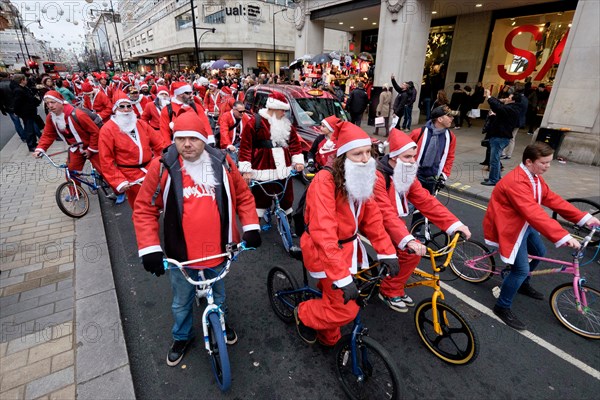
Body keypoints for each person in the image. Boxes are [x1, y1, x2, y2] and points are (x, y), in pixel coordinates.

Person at [132, 110, 262, 366]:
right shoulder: (162, 167)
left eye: (193, 138)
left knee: (219, 294)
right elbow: (145, 208)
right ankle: (182, 336)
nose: (187, 144)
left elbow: (244, 196)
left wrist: (251, 227)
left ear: (204, 139)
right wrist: (150, 249)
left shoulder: (223, 162)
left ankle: (220, 322)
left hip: (218, 252)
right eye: (181, 138)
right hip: (182, 257)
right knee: (182, 302)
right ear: (174, 140)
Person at [294, 121, 400, 346]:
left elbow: (372, 220)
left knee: (333, 311)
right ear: (342, 156)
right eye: (357, 154)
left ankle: (326, 334)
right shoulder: (324, 181)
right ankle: (303, 312)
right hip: (324, 251)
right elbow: (323, 233)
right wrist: (341, 277)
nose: (365, 159)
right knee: (345, 311)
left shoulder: (362, 177)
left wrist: (387, 252)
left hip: (347, 250)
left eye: (368, 153)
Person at [483, 142, 600, 331]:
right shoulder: (516, 181)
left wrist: (584, 219)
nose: (548, 166)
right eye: (544, 162)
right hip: (511, 226)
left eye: (549, 162)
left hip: (523, 223)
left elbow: (552, 199)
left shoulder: (534, 177)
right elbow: (533, 212)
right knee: (520, 270)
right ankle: (502, 306)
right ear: (529, 162)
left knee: (539, 251)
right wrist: (563, 235)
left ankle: (522, 284)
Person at [374, 129, 471, 312]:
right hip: (373, 222)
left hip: (393, 221)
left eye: (414, 156)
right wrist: (408, 240)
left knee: (409, 251)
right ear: (394, 157)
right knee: (408, 253)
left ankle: (394, 285)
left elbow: (426, 201)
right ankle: (388, 290)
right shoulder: (378, 176)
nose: (413, 161)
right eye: (408, 157)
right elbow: (385, 213)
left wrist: (454, 225)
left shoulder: (405, 172)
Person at [238, 92, 304, 218]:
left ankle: (287, 223)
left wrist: (298, 161)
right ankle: (254, 228)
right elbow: (245, 147)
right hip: (263, 168)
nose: (284, 114)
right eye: (281, 110)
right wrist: (246, 170)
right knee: (261, 201)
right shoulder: (254, 122)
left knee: (287, 199)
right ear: (272, 109)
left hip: (284, 168)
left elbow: (295, 144)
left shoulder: (286, 124)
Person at [98, 92, 167, 208]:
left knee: (161, 200)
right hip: (130, 176)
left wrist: (169, 157)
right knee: (140, 207)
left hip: (150, 170)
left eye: (128, 106)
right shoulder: (107, 130)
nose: (126, 110)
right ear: (115, 109)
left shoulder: (140, 124)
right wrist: (119, 181)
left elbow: (159, 143)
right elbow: (106, 160)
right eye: (122, 106)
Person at [32, 90, 101, 173]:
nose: (50, 106)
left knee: (105, 172)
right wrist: (40, 149)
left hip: (91, 145)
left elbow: (95, 132)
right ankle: (75, 186)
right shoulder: (51, 117)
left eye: (53, 102)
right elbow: (48, 134)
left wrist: (91, 149)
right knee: (71, 174)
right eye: (47, 103)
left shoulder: (78, 114)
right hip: (76, 148)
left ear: (60, 102)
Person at [409, 105, 456, 197]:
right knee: (409, 206)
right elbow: (404, 153)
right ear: (440, 119)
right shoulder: (418, 133)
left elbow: (450, 157)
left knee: (426, 208)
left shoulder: (451, 137)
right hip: (415, 176)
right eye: (449, 116)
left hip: (433, 179)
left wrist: (444, 175)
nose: (452, 118)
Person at [481, 88, 521, 186]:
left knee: (494, 160)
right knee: (496, 159)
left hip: (500, 137)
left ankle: (493, 180)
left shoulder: (511, 109)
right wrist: (493, 116)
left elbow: (498, 107)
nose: (507, 99)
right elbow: (502, 117)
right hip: (500, 136)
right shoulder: (511, 109)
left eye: (509, 97)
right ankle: (496, 178)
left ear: (513, 100)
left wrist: (489, 96)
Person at [12, 74, 41, 152]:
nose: (26, 80)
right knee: (29, 129)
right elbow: (17, 103)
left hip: (30, 111)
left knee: (31, 128)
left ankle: (34, 143)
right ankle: (31, 145)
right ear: (22, 80)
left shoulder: (24, 88)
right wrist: (16, 112)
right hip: (26, 113)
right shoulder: (18, 90)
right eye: (25, 79)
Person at [0, 71, 26, 142]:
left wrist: (2, 109)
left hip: (9, 107)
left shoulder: (0, 85)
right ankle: (30, 133)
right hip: (19, 104)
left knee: (16, 122)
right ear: (8, 76)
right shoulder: (13, 83)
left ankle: (23, 137)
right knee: (26, 120)